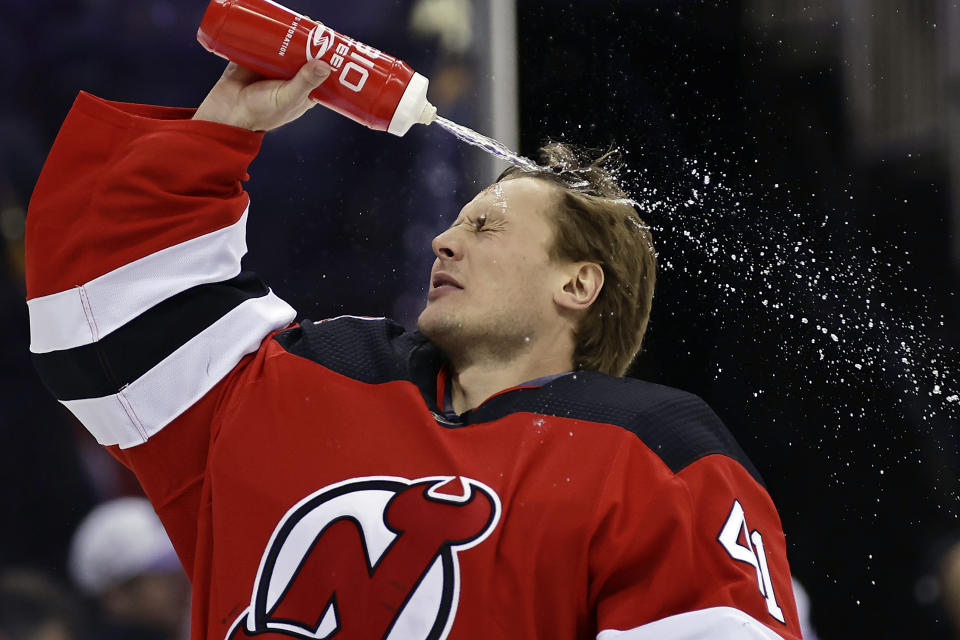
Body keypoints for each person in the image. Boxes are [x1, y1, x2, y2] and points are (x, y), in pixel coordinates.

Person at [25, 59, 803, 639]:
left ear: (578, 284)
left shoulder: (659, 453)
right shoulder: (304, 381)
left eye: (485, 226)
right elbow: (96, 322)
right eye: (456, 219)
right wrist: (220, 131)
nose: (442, 239)